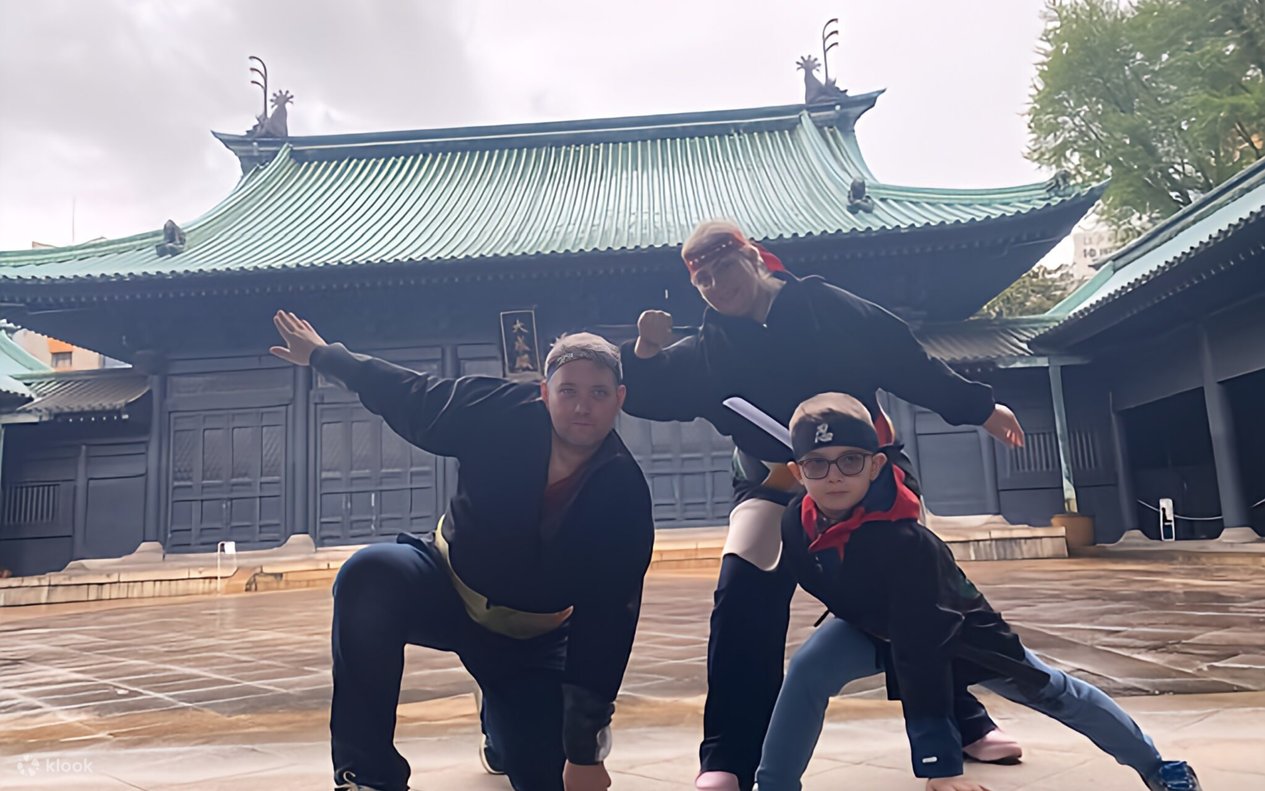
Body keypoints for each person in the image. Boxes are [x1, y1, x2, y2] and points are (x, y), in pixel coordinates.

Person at [621, 219, 1028, 790]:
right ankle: (729, 756)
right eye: (703, 280)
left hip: (862, 480)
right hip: (774, 484)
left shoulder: (826, 307)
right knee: (741, 599)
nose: (716, 285)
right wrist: (644, 352)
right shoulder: (708, 350)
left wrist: (979, 408)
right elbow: (645, 392)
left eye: (724, 268)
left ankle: (964, 720)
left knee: (912, 597)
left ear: (754, 258)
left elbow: (903, 358)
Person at [269, 311, 655, 791]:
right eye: (568, 391)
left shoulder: (624, 494)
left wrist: (584, 753)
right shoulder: (499, 411)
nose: (582, 406)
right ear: (544, 392)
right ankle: (367, 775)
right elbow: (412, 394)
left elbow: (608, 623)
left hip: (530, 641)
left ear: (619, 399)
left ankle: (500, 725)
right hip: (444, 587)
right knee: (368, 575)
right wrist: (326, 357)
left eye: (598, 393)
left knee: (545, 776)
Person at [758, 392, 1201, 791]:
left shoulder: (907, 544)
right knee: (808, 668)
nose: (834, 476)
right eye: (817, 464)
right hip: (871, 626)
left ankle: (1158, 767)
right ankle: (773, 784)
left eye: (850, 461)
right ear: (798, 472)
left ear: (876, 465)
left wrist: (940, 766)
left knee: (1052, 691)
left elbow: (922, 650)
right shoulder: (796, 522)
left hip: (959, 629)